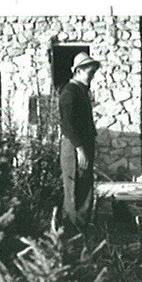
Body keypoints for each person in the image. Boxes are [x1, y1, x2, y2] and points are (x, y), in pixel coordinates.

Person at [59, 52, 101, 227]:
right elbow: (68, 125)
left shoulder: (81, 91)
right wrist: (80, 149)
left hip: (83, 145)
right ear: (78, 71)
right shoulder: (69, 92)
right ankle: (71, 229)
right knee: (74, 187)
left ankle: (81, 228)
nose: (92, 77)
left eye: (93, 73)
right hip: (74, 147)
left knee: (85, 186)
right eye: (89, 73)